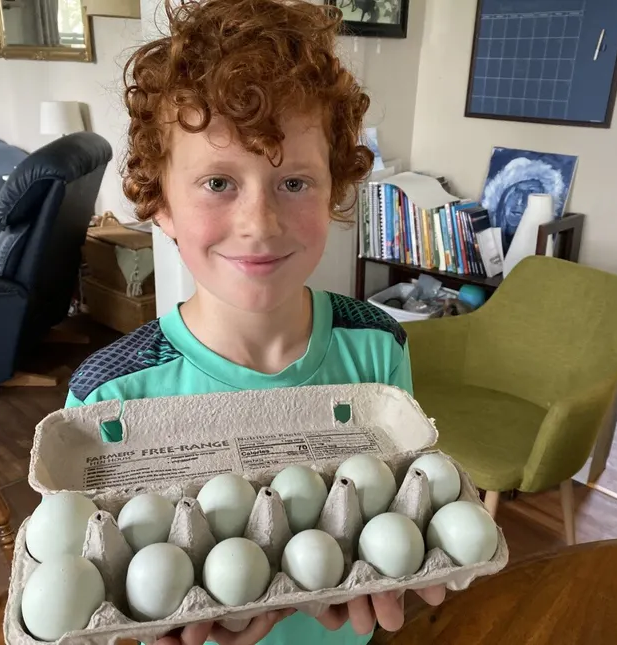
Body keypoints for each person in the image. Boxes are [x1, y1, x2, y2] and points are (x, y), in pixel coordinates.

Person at [65, 1, 446, 643]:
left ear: (335, 190)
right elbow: (89, 587)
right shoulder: (111, 396)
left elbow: (391, 519)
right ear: (160, 202)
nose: (260, 225)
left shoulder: (377, 348)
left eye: (294, 183)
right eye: (218, 183)